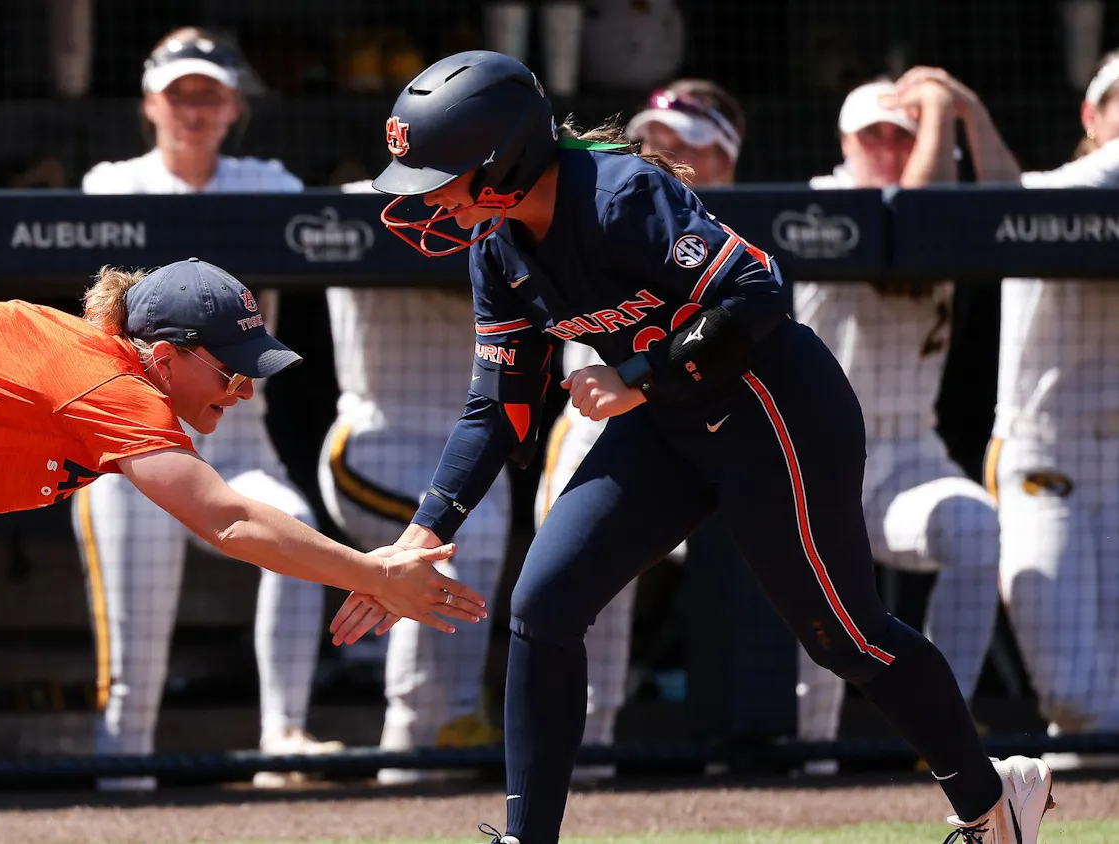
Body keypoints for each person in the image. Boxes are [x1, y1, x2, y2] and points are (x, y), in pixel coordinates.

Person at [331, 50, 1054, 844]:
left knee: (844, 636)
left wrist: (638, 375)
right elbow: (497, 407)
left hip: (773, 412)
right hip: (670, 426)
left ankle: (991, 805)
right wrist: (424, 531)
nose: (427, 197)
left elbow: (757, 292)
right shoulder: (495, 248)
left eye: (442, 174)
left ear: (504, 161)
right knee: (542, 604)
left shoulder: (618, 194)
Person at [0, 258, 485, 844]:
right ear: (167, 354)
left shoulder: (92, 363)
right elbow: (226, 520)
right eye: (230, 370)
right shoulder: (111, 384)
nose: (243, 390)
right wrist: (375, 572)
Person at [77, 27, 337, 789]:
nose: (193, 109)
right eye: (180, 93)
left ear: (234, 106)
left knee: (300, 534)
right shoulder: (109, 183)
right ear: (150, 101)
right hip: (133, 443)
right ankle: (121, 778)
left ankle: (284, 736)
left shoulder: (272, 182)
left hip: (240, 435)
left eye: (210, 94)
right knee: (135, 644)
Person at [904, 54, 1119, 770]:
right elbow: (1004, 195)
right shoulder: (1071, 188)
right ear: (1092, 116)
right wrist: (963, 108)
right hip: (1046, 458)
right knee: (1076, 699)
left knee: (1101, 708)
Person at [533, 79, 746, 781]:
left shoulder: (733, 231)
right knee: (585, 583)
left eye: (688, 143)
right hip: (601, 425)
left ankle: (776, 751)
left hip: (720, 421)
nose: (664, 151)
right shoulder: (600, 204)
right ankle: (586, 752)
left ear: (727, 157)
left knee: (773, 572)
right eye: (655, 137)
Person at [791, 77, 1002, 775]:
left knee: (975, 527)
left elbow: (989, 201)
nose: (886, 146)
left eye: (901, 134)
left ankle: (943, 732)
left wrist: (956, 111)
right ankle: (808, 761)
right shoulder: (828, 197)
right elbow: (910, 218)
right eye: (871, 134)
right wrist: (939, 108)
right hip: (817, 452)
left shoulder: (941, 196)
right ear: (844, 143)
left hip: (911, 451)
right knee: (817, 604)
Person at [320, 179, 511, 784]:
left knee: (471, 590)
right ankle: (401, 759)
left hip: (476, 446)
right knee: (430, 573)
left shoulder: (509, 212)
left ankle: (453, 734)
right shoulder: (359, 202)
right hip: (377, 437)